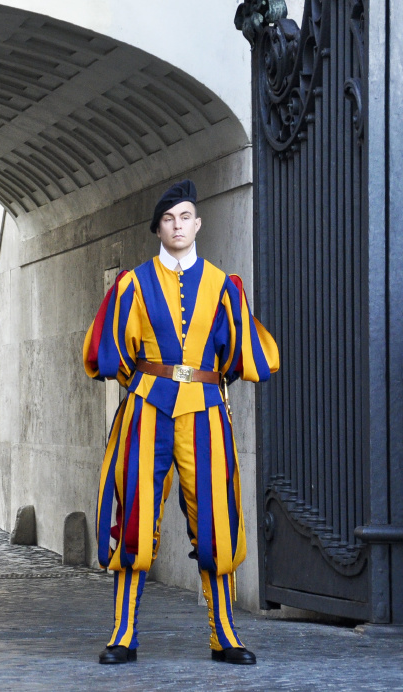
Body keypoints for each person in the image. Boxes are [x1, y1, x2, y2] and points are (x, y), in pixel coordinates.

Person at [82, 179, 279, 666]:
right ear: (158, 229)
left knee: (215, 522)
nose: (177, 226)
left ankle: (224, 637)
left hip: (206, 414)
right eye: (169, 219)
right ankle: (122, 636)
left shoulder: (223, 285)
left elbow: (239, 354)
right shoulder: (134, 283)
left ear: (197, 223)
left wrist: (204, 384)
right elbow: (112, 351)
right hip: (147, 410)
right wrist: (152, 382)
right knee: (135, 520)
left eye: (185, 217)